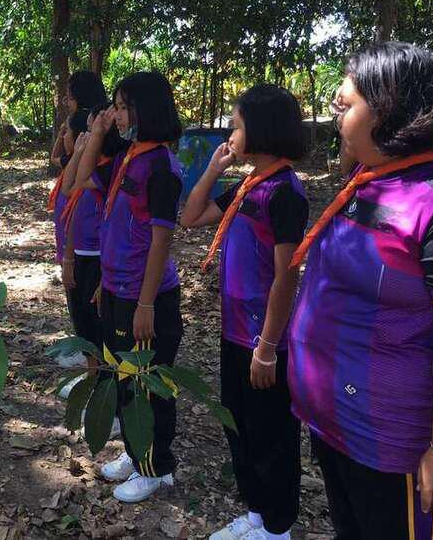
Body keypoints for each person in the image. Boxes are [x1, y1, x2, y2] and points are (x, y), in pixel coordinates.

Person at [287, 42, 433, 540]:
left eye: (346, 103)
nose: (336, 111)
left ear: (391, 111)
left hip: (389, 444)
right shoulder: (372, 179)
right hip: (334, 422)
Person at [181, 85, 308, 540]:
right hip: (234, 333)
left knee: (272, 434)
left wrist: (269, 346)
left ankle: (277, 527)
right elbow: (190, 217)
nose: (230, 135)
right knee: (240, 425)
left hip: (264, 341)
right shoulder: (249, 185)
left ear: (262, 129)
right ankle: (256, 513)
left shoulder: (284, 192)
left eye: (235, 126)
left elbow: (286, 277)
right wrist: (213, 170)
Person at [75, 71, 185, 503]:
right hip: (116, 288)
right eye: (116, 107)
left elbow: (161, 241)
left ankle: (156, 468)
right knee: (123, 375)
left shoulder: (161, 167)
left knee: (148, 384)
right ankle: (137, 452)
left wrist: (146, 304)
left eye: (122, 108)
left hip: (146, 296)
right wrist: (97, 134)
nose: (117, 115)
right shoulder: (128, 157)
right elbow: (83, 178)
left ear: (146, 110)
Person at [58, 105, 127, 392]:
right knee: (84, 323)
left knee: (100, 329)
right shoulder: (92, 166)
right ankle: (92, 380)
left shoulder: (112, 169)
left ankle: (103, 390)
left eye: (93, 129)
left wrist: (105, 276)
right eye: (85, 130)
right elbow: (68, 190)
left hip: (102, 258)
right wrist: (69, 257)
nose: (87, 135)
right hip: (82, 256)